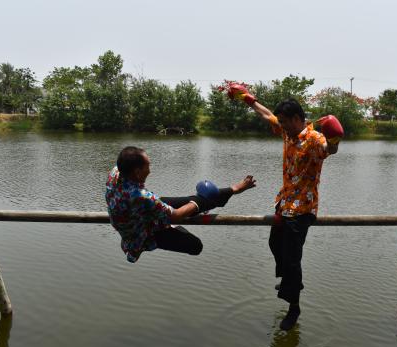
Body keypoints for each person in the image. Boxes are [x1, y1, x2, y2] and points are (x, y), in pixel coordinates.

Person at [224, 82, 343, 330]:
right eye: (282, 122)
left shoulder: (313, 138)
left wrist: (335, 137)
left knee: (292, 259)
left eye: (286, 122)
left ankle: (294, 307)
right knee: (274, 244)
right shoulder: (288, 132)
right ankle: (290, 281)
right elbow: (266, 114)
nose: (282, 126)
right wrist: (247, 98)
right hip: (285, 201)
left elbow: (329, 150)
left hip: (303, 208)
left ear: (298, 119)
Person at [106, 146, 256, 263]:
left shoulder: (116, 173)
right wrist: (198, 202)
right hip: (143, 234)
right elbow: (177, 216)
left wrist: (197, 201)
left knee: (192, 200)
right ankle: (169, 223)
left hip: (138, 212)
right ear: (138, 172)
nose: (150, 171)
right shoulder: (141, 196)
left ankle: (232, 190)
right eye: (148, 167)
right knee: (195, 246)